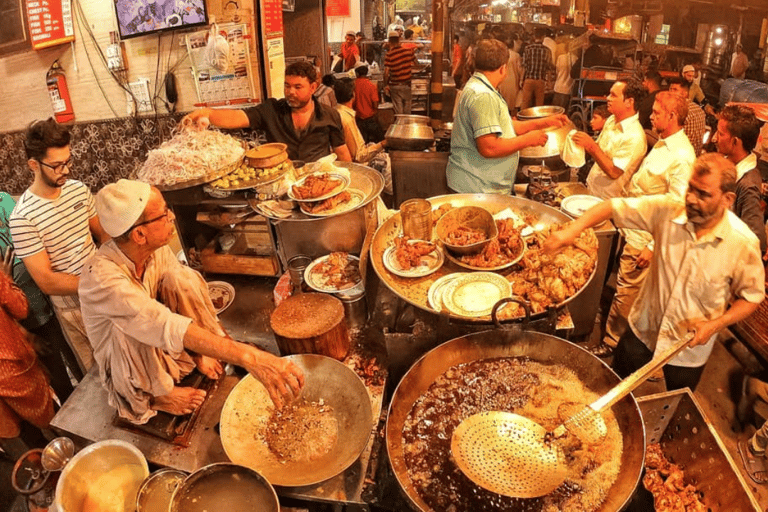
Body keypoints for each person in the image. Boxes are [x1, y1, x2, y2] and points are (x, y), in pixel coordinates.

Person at [79, 180, 305, 424]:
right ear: (139, 234)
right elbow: (161, 323)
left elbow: (181, 295)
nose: (172, 216)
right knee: (134, 326)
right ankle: (157, 396)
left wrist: (215, 347)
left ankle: (197, 355)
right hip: (128, 362)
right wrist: (250, 357)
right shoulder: (101, 278)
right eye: (164, 214)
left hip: (160, 347)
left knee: (181, 277)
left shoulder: (154, 251)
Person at [545, 153, 764, 391]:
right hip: (643, 328)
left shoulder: (742, 244)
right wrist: (572, 231)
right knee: (616, 386)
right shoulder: (668, 211)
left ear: (727, 199)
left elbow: (751, 297)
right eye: (690, 188)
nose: (691, 199)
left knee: (676, 400)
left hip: (688, 347)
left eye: (703, 194)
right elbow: (612, 207)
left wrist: (716, 324)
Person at [593, 91, 697, 357]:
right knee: (624, 288)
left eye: (656, 113)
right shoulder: (663, 143)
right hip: (632, 227)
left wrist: (652, 245)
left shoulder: (682, 156)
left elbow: (679, 206)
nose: (650, 116)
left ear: (673, 116)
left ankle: (612, 342)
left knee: (627, 291)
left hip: (645, 236)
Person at [9, 119, 109, 375]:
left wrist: (112, 272)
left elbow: (103, 235)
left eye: (68, 161)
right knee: (99, 375)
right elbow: (47, 282)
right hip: (74, 307)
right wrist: (96, 283)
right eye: (56, 165)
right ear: (34, 165)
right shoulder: (23, 218)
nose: (66, 170)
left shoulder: (78, 190)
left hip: (107, 288)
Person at [446, 38, 565, 194]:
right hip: (476, 188)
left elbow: (506, 126)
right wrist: (528, 140)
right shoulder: (483, 95)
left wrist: (545, 122)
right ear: (503, 68)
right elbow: (489, 148)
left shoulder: (480, 87)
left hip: (479, 185)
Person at [185, 61, 351, 163]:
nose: (290, 92)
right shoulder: (271, 110)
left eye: (298, 87)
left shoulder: (330, 115)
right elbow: (239, 117)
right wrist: (207, 112)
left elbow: (342, 152)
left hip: (317, 180)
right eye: (287, 86)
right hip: (281, 183)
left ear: (313, 88)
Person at [1, 192, 78, 403]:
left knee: (77, 358)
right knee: (56, 375)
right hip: (26, 318)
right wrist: (25, 334)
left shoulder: (5, 200)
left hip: (51, 298)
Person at [0, 248, 55, 458]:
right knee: (49, 416)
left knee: (23, 433)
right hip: (12, 367)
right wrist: (6, 280)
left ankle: (45, 465)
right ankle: (68, 456)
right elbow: (21, 308)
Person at [579, 79, 647, 201]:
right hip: (591, 190)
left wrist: (590, 146)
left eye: (614, 95)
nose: (608, 98)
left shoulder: (635, 136)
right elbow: (600, 149)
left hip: (607, 202)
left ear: (629, 102)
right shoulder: (611, 120)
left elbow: (614, 172)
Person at [714, 104, 767, 255]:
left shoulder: (747, 185)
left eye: (720, 134)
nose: (714, 138)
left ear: (735, 142)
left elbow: (757, 241)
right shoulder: (728, 167)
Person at [334, 78, 386, 164]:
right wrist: (383, 143)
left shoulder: (336, 111)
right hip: (354, 166)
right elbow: (359, 156)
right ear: (353, 95)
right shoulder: (346, 119)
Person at [668, 76, 706, 156]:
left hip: (679, 155)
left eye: (675, 90)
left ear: (685, 93)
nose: (670, 93)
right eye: (670, 89)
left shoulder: (679, 111)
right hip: (695, 155)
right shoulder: (699, 109)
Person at [383, 30, 416, 115]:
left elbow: (386, 72)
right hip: (407, 85)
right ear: (399, 40)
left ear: (389, 41)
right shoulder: (409, 51)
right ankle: (407, 126)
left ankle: (400, 126)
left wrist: (385, 85)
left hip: (395, 86)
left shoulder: (389, 54)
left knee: (399, 111)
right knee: (407, 110)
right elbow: (416, 64)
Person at [520, 28, 553, 109]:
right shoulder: (547, 50)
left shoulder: (527, 49)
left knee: (525, 102)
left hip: (528, 79)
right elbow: (549, 68)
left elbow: (524, 66)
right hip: (540, 80)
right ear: (543, 37)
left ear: (534, 37)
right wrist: (548, 82)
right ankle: (538, 120)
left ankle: (522, 119)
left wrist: (521, 79)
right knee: (539, 105)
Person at [353, 65, 384, 143]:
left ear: (357, 74)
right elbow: (375, 104)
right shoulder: (371, 85)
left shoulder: (353, 85)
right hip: (370, 117)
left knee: (361, 142)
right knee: (381, 140)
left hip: (358, 118)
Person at [498, 33, 523, 115]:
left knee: (502, 101)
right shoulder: (516, 55)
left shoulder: (501, 54)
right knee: (512, 104)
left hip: (502, 80)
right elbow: (519, 69)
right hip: (513, 81)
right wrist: (521, 80)